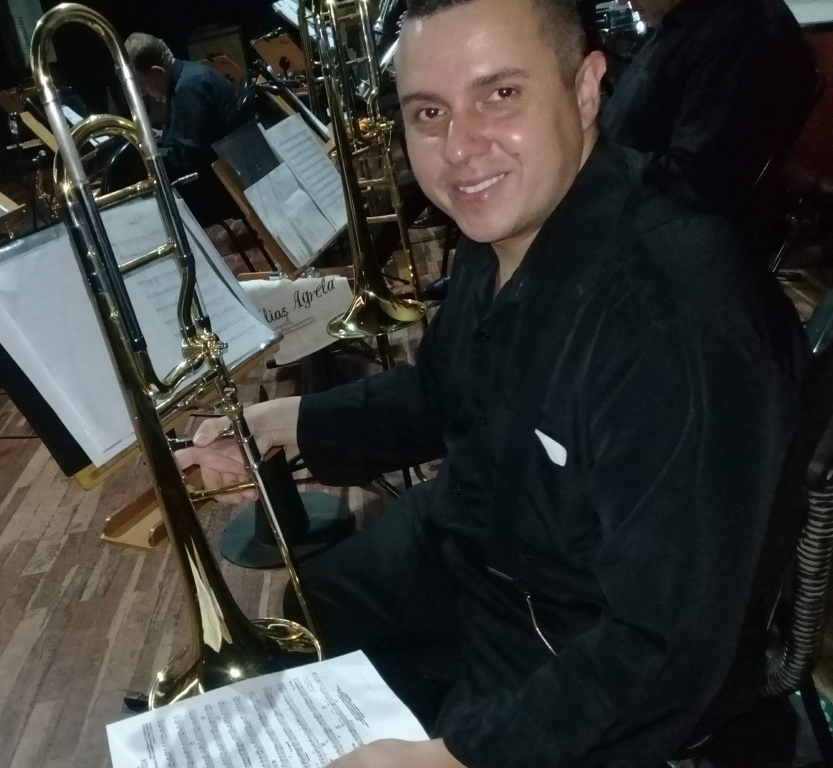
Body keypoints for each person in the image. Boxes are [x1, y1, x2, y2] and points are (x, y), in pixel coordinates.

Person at [176, 0, 807, 765]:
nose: (459, 148)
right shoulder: (502, 233)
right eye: (429, 112)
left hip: (572, 634)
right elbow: (439, 393)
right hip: (479, 545)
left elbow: (663, 641)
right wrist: (287, 422)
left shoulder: (675, 317)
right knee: (314, 604)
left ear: (586, 89)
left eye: (500, 94)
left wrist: (451, 759)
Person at [600, 0, 817, 229]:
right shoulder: (688, 21)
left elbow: (696, 179)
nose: (621, 1)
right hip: (623, 205)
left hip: (656, 230)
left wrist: (600, 175)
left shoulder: (740, 29)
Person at [123, 33, 248, 224]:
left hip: (221, 190)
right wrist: (160, 137)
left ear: (157, 71)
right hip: (220, 173)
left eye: (143, 86)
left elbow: (185, 159)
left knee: (143, 207)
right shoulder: (190, 74)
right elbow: (191, 136)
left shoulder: (187, 90)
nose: (145, 93)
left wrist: (150, 150)